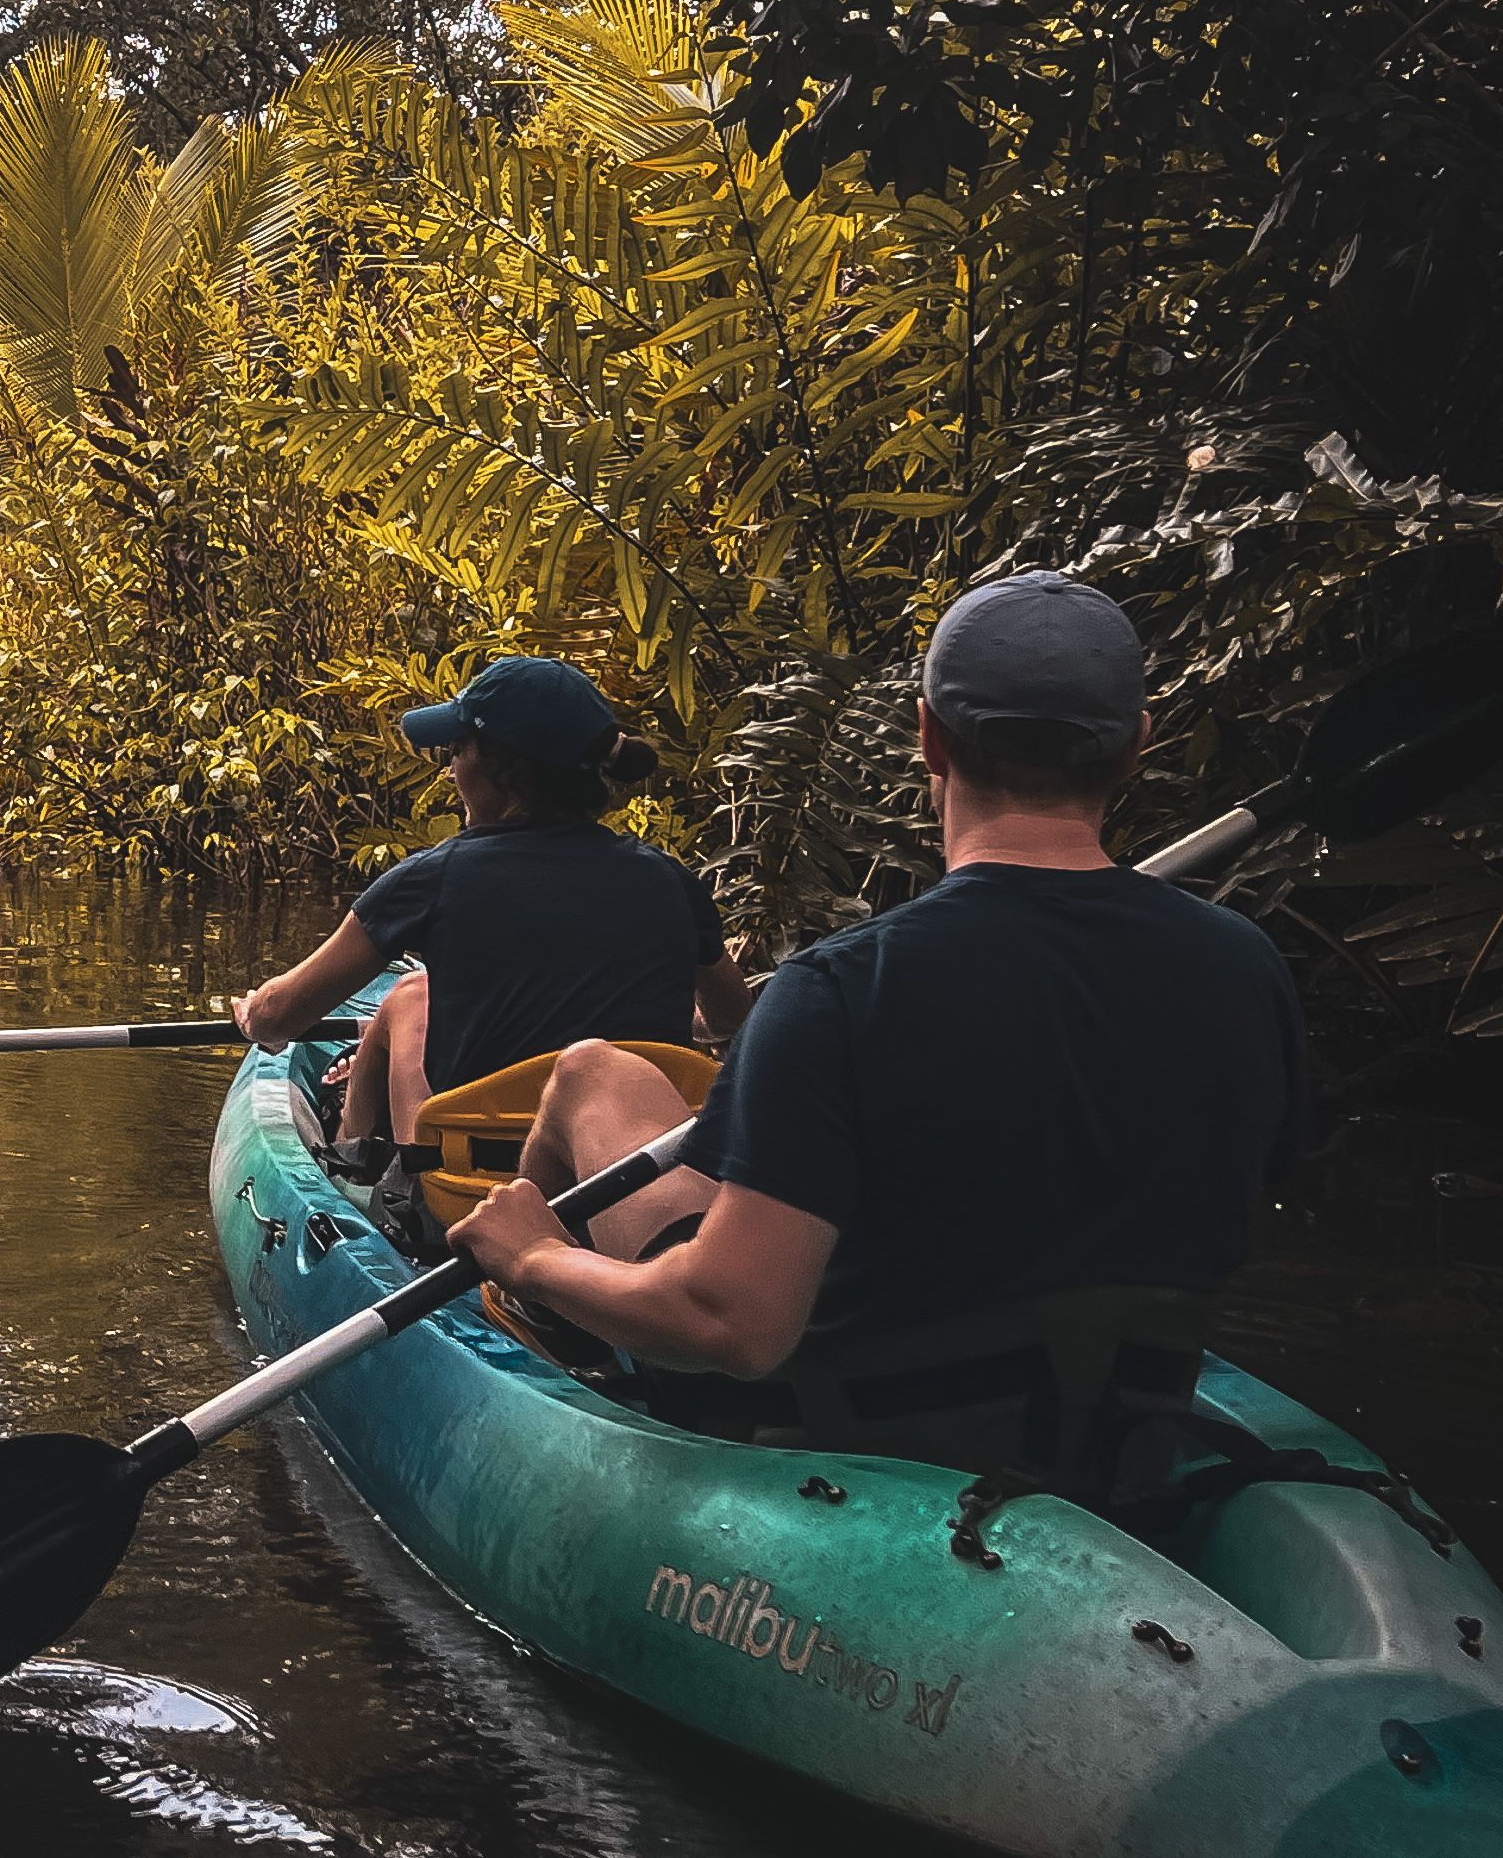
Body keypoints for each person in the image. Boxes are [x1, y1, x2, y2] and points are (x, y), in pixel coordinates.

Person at [446, 573, 1306, 1485]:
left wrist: (537, 1257)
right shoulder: (1248, 967)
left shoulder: (841, 992)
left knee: (598, 1076)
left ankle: (514, 1286)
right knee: (622, 1087)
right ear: (1137, 746)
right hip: (1108, 1434)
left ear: (929, 737)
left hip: (839, 1439)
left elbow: (728, 1326)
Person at [233, 658, 748, 1209]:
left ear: (504, 771)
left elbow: (280, 1017)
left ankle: (351, 1168)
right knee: (413, 995)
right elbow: (731, 1022)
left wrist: (253, 1010)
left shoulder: (430, 880)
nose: (449, 772)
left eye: (456, 752)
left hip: (473, 1195)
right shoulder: (670, 879)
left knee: (410, 995)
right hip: (627, 1186)